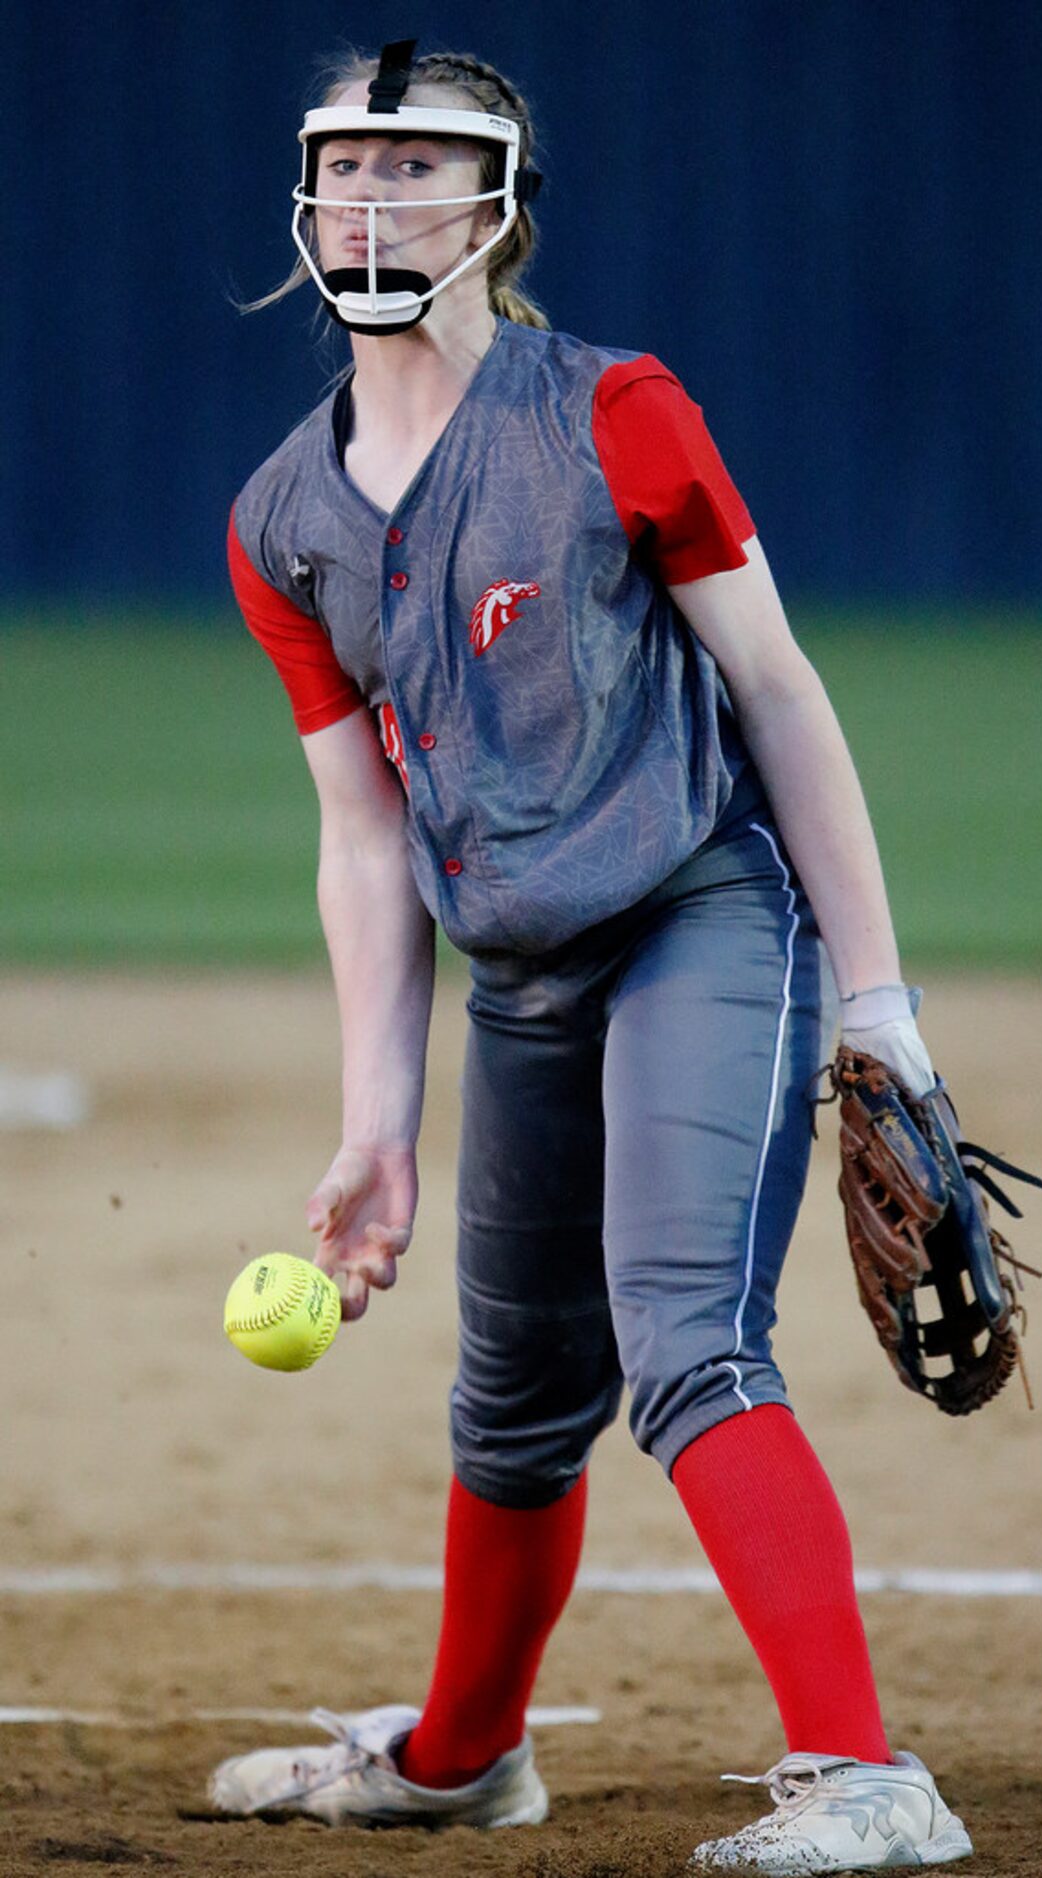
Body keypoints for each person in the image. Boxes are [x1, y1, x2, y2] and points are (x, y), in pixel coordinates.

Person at [210, 40, 973, 1874]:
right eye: (348, 168)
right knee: (513, 1391)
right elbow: (364, 834)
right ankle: (464, 1752)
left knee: (684, 1341)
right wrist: (378, 1120)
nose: (374, 200)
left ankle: (870, 1777)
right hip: (526, 972)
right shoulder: (280, 524)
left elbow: (779, 693)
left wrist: (877, 1004)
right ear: (305, 201)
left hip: (701, 908)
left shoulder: (609, 408)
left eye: (418, 168)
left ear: (495, 203)